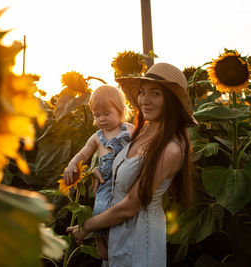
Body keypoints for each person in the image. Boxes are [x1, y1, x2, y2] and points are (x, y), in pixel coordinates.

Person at [67, 62, 197, 266]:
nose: (145, 100)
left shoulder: (170, 149)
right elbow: (115, 165)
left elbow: (129, 207)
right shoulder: (141, 131)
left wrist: (86, 226)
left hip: (139, 239)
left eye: (155, 93)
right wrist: (97, 172)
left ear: (171, 100)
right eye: (142, 92)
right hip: (116, 234)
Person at [63, 84, 134, 259]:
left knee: (123, 215)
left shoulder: (130, 129)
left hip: (126, 177)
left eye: (106, 114)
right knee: (101, 208)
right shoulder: (97, 137)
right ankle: (99, 240)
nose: (101, 119)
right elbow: (82, 154)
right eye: (97, 115)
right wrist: (72, 165)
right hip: (105, 181)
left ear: (120, 111)